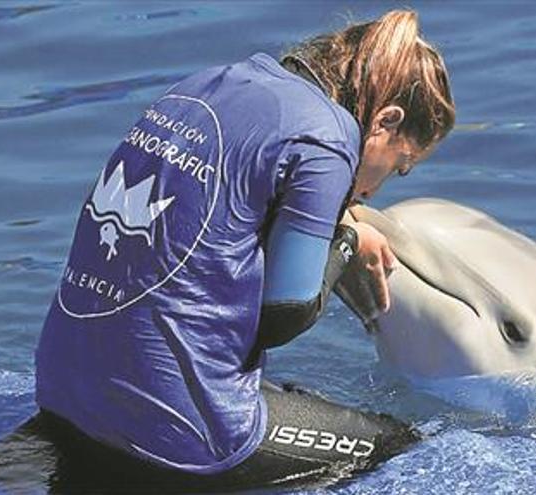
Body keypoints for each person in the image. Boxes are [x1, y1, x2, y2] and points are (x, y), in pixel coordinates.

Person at [32, 8, 455, 488]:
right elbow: (284, 316)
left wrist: (334, 218)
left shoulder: (210, 84)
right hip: (174, 434)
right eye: (398, 166)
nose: (375, 192)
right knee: (401, 443)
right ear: (384, 122)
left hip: (62, 391)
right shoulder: (329, 138)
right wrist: (348, 240)